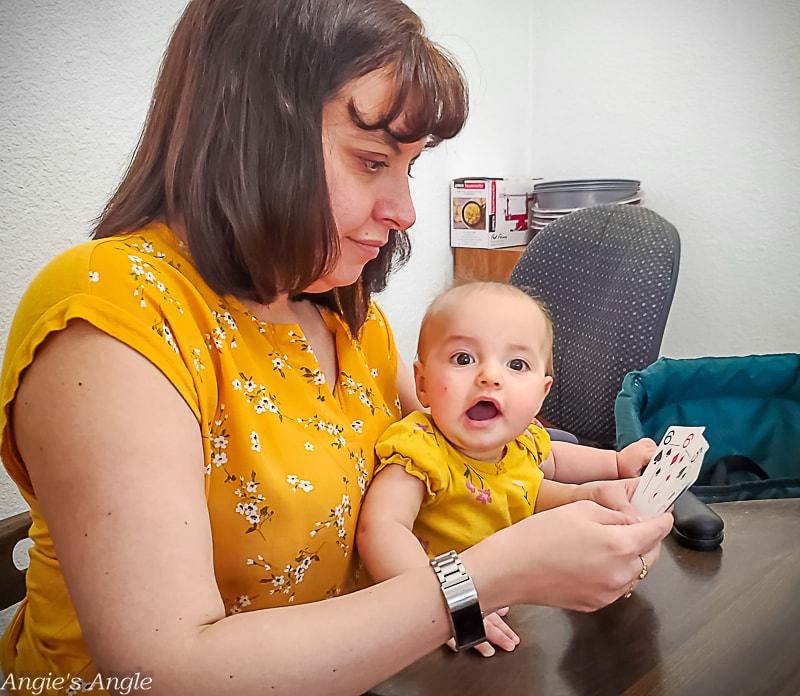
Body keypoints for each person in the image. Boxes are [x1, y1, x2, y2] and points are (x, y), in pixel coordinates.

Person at [0, 1, 673, 694]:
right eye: (372, 160)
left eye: (407, 168)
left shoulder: (347, 313)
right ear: (250, 133)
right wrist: (489, 577)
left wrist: (596, 496)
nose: (405, 210)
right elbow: (165, 672)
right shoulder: (113, 312)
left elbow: (477, 449)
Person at [356, 281, 659, 657]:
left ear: (541, 393)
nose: (489, 376)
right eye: (463, 359)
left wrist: (613, 466)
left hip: (511, 607)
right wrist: (446, 604)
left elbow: (556, 461)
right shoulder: (418, 447)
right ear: (422, 383)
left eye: (516, 364)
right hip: (431, 625)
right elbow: (381, 528)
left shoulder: (522, 440)